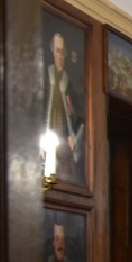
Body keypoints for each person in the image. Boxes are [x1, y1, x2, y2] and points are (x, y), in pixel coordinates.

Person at [45, 31, 86, 184]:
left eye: (63, 52)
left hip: (64, 144)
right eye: (58, 51)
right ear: (52, 51)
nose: (61, 57)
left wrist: (72, 113)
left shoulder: (68, 83)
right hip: (47, 142)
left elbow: (78, 115)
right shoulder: (45, 77)